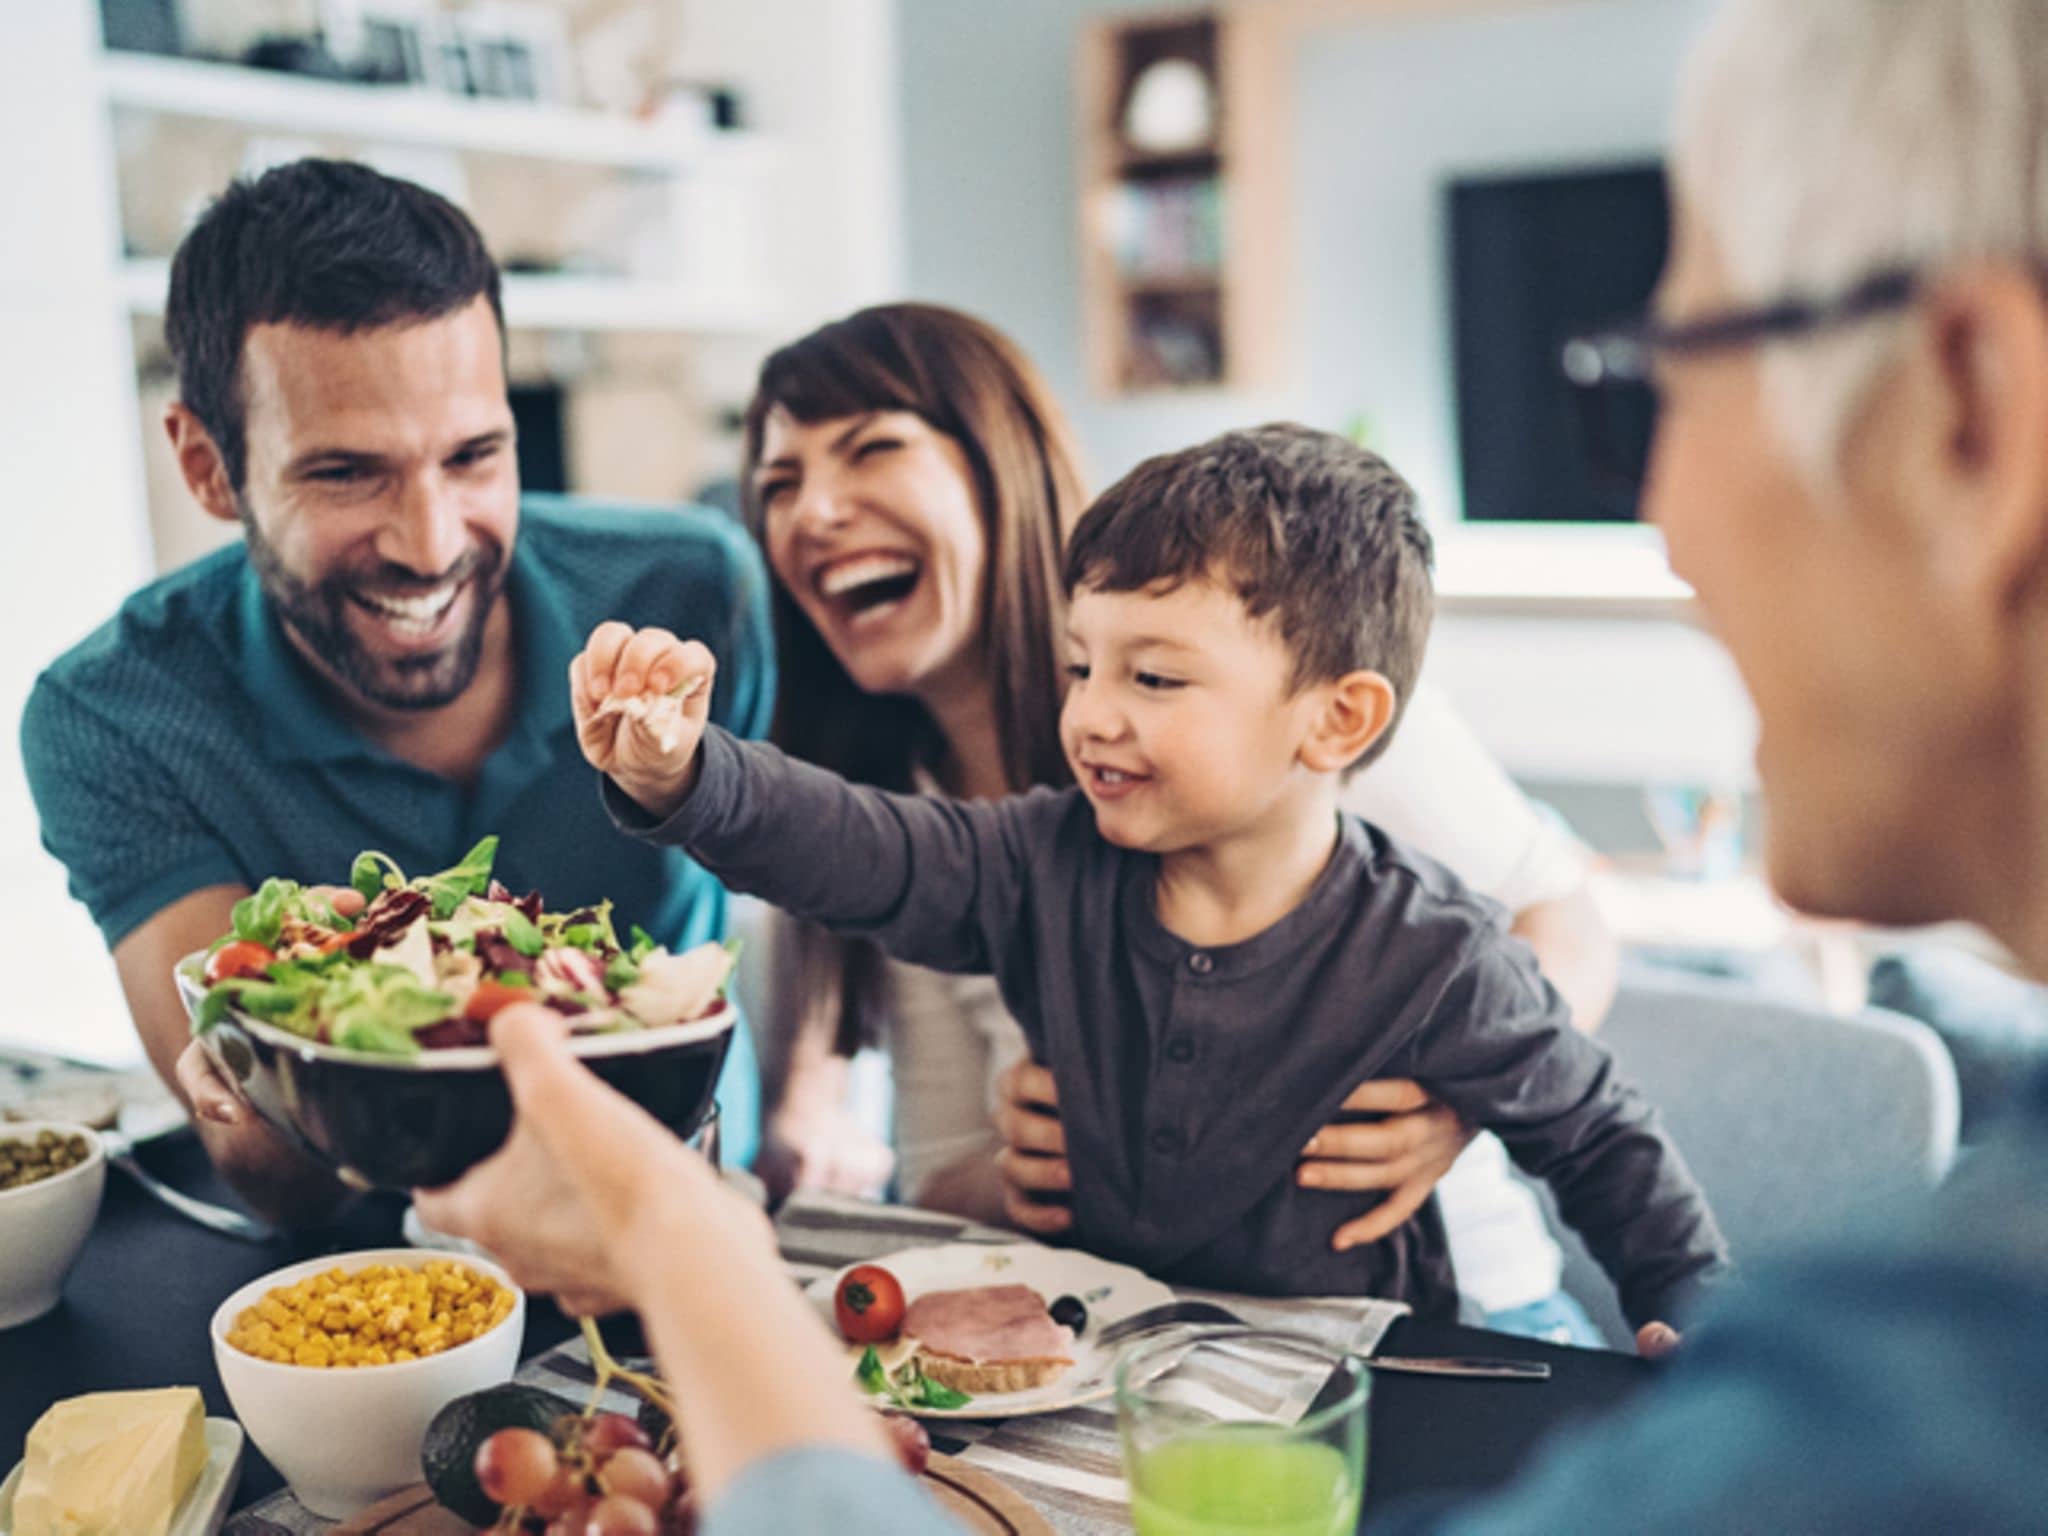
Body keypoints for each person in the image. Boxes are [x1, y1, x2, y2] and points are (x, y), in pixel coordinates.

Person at [569, 424, 1724, 1332]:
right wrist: (686, 775)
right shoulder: (1035, 862)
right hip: (1114, 1370)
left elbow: (1599, 1137)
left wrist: (1684, 1305)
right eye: (1083, 665)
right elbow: (862, 844)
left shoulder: (1437, 952)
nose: (1090, 716)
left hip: (1360, 1384)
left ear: (1335, 720)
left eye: (1156, 680)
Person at [739, 304, 1618, 1342]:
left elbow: (1562, 914)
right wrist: (1023, 1171)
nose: (812, 513)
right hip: (1179, 1350)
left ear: (1000, 464)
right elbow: (943, 1179)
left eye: (869, 449)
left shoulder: (1273, 692)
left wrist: (1456, 1106)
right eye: (777, 486)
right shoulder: (908, 818)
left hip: (1460, 1324)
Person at [18, 158, 774, 1221]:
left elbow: (827, 854)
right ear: (209, 467)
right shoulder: (113, 717)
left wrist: (823, 1092)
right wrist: (288, 992)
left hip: (687, 1227)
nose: (429, 545)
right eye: (344, 473)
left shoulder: (695, 590)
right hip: (356, 1282)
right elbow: (274, 1171)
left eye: (473, 455)